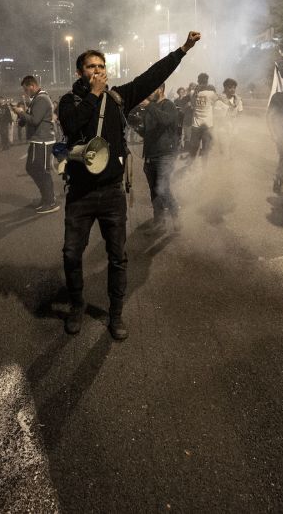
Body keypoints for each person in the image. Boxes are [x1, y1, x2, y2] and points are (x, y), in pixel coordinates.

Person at [58, 31, 201, 341]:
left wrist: (183, 50)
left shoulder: (118, 98)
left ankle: (116, 313)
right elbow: (72, 126)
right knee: (71, 254)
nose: (96, 71)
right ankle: (77, 305)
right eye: (90, 67)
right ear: (80, 72)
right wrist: (94, 95)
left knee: (117, 256)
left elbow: (153, 76)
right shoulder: (70, 101)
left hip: (111, 193)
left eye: (100, 66)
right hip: (80, 194)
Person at [135, 84, 181, 232]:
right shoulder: (151, 108)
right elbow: (148, 132)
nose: (148, 94)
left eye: (152, 90)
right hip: (150, 155)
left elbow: (165, 120)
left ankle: (176, 216)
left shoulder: (169, 105)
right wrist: (136, 125)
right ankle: (159, 222)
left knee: (163, 189)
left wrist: (149, 106)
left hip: (165, 155)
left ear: (160, 89)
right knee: (154, 190)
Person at [16, 76, 58, 214]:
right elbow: (30, 119)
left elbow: (34, 120)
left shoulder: (41, 99)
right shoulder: (37, 99)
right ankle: (47, 197)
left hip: (43, 140)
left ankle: (50, 201)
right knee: (34, 168)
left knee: (40, 170)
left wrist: (21, 112)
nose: (25, 92)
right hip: (39, 139)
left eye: (26, 89)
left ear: (32, 85)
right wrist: (22, 115)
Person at [187, 72, 217, 159]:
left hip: (196, 125)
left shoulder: (192, 92)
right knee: (205, 149)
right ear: (207, 81)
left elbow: (192, 104)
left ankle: (192, 167)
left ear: (198, 81)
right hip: (207, 125)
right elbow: (216, 102)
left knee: (194, 149)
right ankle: (204, 169)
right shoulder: (211, 93)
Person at [219, 78, 243, 158]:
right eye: (230, 87)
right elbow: (216, 117)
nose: (233, 90)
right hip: (222, 128)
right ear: (225, 88)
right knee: (223, 149)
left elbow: (240, 113)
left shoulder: (238, 100)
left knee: (233, 147)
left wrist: (237, 125)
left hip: (234, 127)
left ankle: (231, 165)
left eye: (234, 88)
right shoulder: (219, 100)